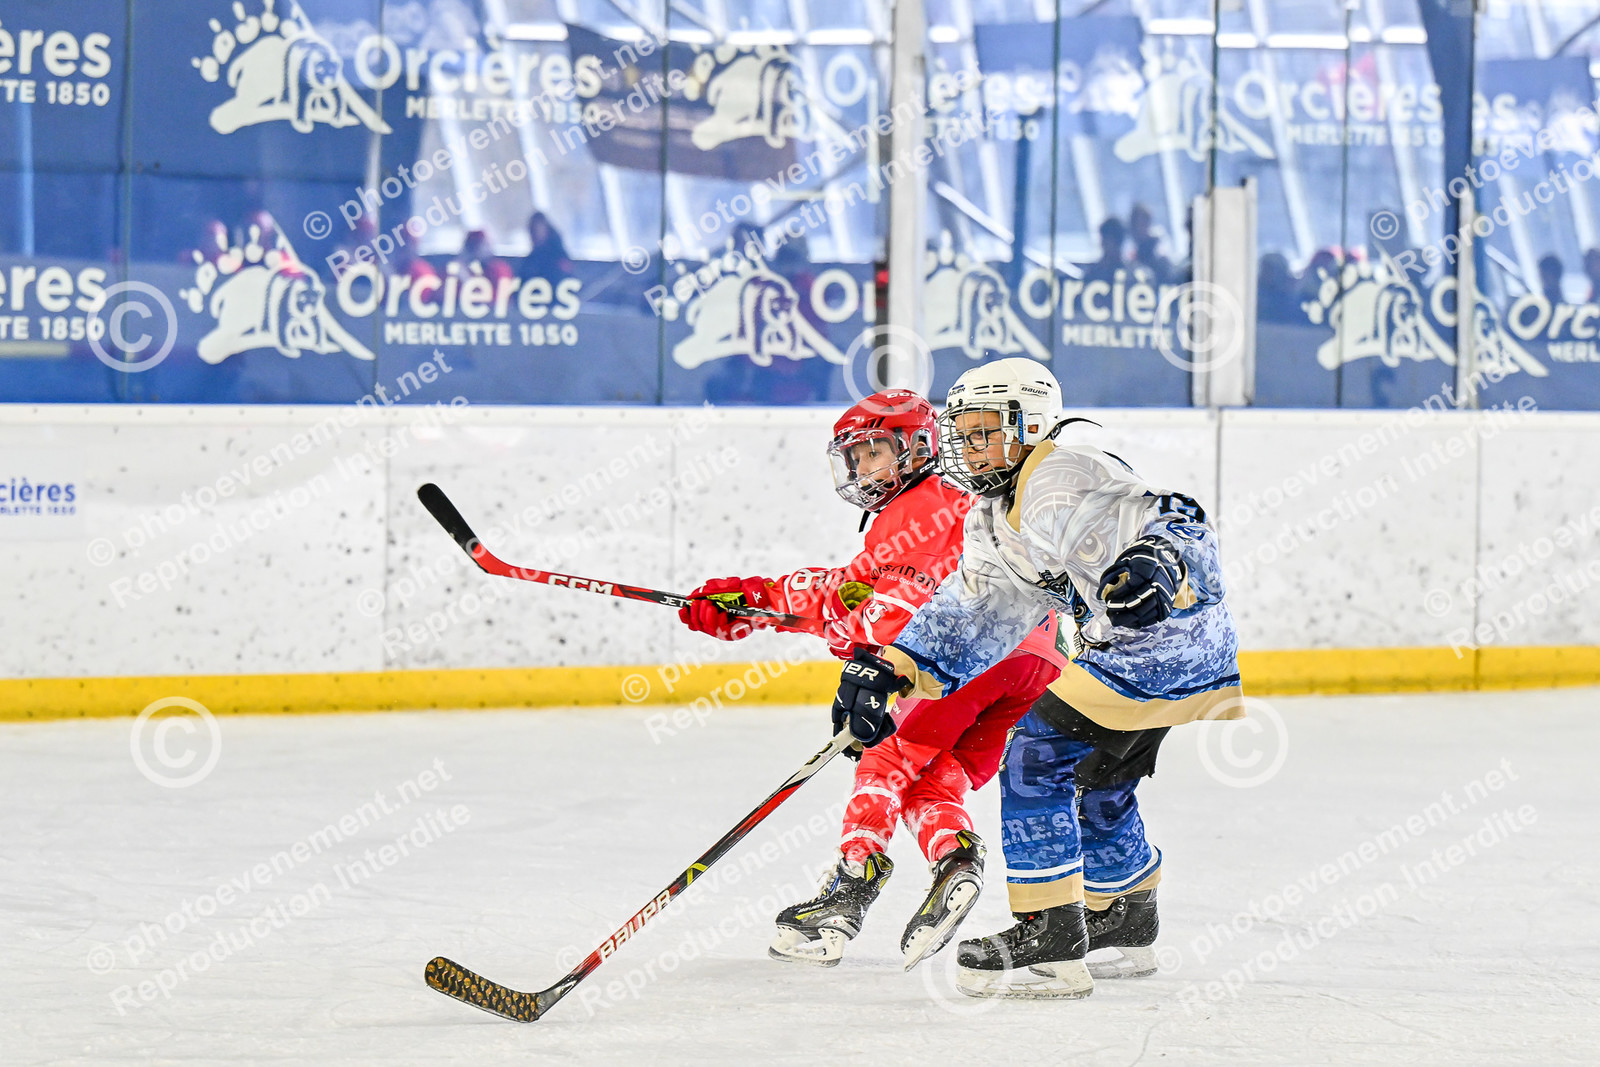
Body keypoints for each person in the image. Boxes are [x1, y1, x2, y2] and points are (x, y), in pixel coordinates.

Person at [827, 357, 1243, 999]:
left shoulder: (1064, 472)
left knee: (1034, 757)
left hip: (1160, 643)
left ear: (1030, 425)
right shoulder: (993, 516)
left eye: (986, 432)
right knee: (1098, 776)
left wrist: (1158, 561)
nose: (971, 448)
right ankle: (1127, 915)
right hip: (1153, 651)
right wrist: (893, 666)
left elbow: (1180, 518)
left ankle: (1050, 935)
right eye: (964, 434)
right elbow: (979, 611)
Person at [679, 390, 1064, 969]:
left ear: (918, 447)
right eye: (854, 458)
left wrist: (863, 657)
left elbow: (892, 611)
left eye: (874, 452)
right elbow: (850, 590)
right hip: (1035, 662)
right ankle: (955, 860)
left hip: (972, 653)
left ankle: (845, 897)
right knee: (931, 779)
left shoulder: (919, 508)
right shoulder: (953, 502)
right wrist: (754, 603)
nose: (861, 469)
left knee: (883, 761)